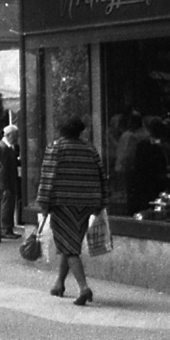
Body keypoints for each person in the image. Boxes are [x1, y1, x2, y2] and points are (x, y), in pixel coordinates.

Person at [37, 116, 108, 306]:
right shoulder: (90, 149)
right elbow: (101, 175)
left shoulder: (56, 148)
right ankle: (59, 284)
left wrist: (43, 202)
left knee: (69, 246)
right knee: (70, 243)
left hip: (62, 204)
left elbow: (48, 176)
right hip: (86, 204)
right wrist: (101, 201)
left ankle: (84, 288)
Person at [0, 124, 23, 236]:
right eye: (15, 135)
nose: (17, 138)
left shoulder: (9, 147)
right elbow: (2, 169)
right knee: (6, 205)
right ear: (8, 135)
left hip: (10, 181)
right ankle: (5, 229)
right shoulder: (3, 148)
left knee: (9, 205)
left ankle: (8, 228)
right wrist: (4, 186)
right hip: (6, 183)